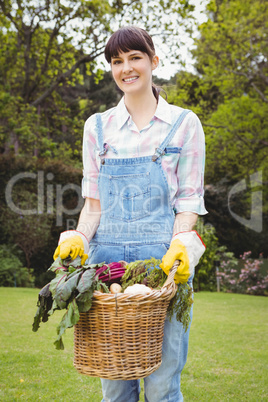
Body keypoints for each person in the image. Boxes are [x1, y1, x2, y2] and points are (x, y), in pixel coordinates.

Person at [54, 26, 207, 402]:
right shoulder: (97, 127)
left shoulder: (184, 124)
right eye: (116, 61)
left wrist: (180, 248)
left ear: (153, 61)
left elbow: (188, 202)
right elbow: (94, 204)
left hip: (164, 266)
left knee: (162, 384)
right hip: (108, 270)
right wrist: (78, 237)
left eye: (135, 57)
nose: (126, 68)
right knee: (115, 385)